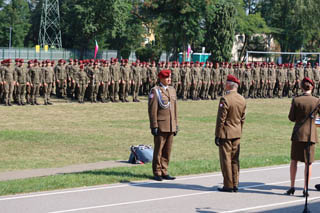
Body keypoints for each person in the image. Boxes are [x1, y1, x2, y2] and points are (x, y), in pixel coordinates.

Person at [287, 77, 319, 197]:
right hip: (311, 134)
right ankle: (305, 188)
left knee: (294, 160)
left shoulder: (296, 100)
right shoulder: (317, 101)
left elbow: (291, 118)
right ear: (312, 87)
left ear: (301, 87)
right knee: (308, 163)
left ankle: (292, 186)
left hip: (298, 133)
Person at [215, 74, 246, 192]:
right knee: (235, 159)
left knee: (226, 159)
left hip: (226, 133)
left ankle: (228, 185)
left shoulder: (225, 99)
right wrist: (239, 130)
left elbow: (221, 119)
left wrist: (217, 134)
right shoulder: (242, 99)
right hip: (237, 132)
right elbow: (242, 118)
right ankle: (235, 183)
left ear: (229, 85)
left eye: (226, 83)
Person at [148, 69, 178, 181]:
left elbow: (175, 109)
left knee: (167, 150)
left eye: (170, 77)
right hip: (161, 125)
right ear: (160, 78)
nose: (169, 79)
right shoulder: (155, 91)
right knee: (159, 150)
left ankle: (164, 170)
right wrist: (154, 125)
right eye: (167, 77)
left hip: (171, 125)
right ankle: (157, 171)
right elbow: (152, 110)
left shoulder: (172, 90)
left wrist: (176, 124)